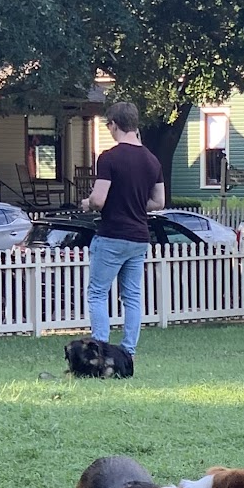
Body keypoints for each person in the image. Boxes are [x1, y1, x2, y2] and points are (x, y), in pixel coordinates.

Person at [81, 100, 164, 372]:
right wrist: (136, 203)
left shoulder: (109, 158)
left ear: (114, 124)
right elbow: (159, 202)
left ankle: (101, 350)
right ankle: (128, 352)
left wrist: (87, 202)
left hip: (112, 235)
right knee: (132, 297)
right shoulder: (152, 160)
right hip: (139, 237)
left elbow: (99, 200)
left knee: (97, 294)